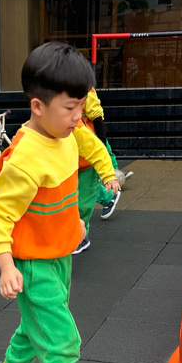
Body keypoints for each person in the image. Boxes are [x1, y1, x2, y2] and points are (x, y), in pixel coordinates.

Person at [0, 42, 120, 363]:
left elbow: (89, 151)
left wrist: (103, 178)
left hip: (60, 254)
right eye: (71, 108)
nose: (79, 117)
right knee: (61, 338)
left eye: (82, 107)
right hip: (32, 263)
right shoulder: (26, 159)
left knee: (36, 324)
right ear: (38, 106)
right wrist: (6, 266)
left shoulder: (68, 133)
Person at [74, 87, 121, 254]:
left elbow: (97, 117)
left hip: (87, 160)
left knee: (83, 202)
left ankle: (81, 237)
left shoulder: (85, 91)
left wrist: (109, 174)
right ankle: (108, 197)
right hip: (70, 161)